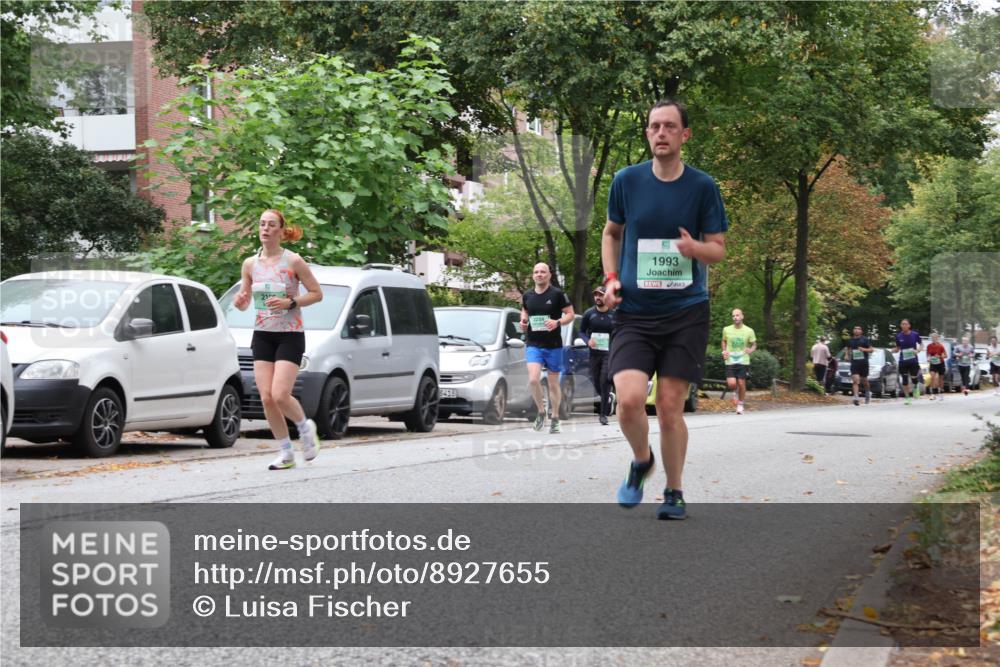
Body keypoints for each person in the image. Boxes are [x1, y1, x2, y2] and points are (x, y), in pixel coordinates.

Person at [603, 99, 728, 520]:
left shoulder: (703, 187)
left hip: (685, 312)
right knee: (628, 401)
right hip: (635, 312)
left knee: (671, 406)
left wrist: (696, 249)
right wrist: (611, 278)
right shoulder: (626, 181)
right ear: (647, 133)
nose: (661, 133)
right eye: (654, 126)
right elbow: (611, 233)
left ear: (684, 135)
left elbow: (718, 249)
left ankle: (674, 491)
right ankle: (642, 461)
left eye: (670, 126)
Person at [232, 209, 324, 470]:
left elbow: (317, 293)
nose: (265, 229)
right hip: (263, 334)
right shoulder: (250, 264)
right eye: (262, 224)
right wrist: (240, 301)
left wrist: (290, 302)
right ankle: (286, 453)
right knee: (266, 398)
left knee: (280, 394)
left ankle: (305, 428)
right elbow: (244, 301)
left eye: (271, 225)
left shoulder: (293, 261)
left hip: (290, 334)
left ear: (281, 231)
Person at [520, 262, 574, 434]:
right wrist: (523, 320)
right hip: (534, 344)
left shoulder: (557, 294)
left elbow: (570, 314)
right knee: (533, 379)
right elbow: (525, 310)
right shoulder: (528, 295)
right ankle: (541, 412)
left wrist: (557, 322)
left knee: (553, 384)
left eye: (542, 272)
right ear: (532, 275)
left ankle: (555, 417)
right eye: (536, 272)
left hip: (553, 346)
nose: (539, 274)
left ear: (549, 275)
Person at [579, 286, 616, 425]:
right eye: (596, 295)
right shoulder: (589, 314)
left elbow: (620, 332)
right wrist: (587, 341)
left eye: (600, 295)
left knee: (604, 380)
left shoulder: (614, 314)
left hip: (609, 353)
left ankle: (603, 414)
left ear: (606, 297)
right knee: (596, 382)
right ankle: (608, 398)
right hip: (594, 353)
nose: (597, 297)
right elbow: (581, 331)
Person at [721, 308, 757, 415]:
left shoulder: (749, 330)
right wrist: (724, 351)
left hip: (743, 359)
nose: (735, 317)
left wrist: (751, 350)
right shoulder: (726, 329)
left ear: (742, 316)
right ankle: (735, 392)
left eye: (737, 315)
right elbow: (723, 341)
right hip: (730, 359)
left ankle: (740, 404)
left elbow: (754, 344)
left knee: (741, 383)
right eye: (733, 316)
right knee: (732, 384)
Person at [843, 325, 874, 406]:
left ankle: (868, 392)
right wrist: (846, 355)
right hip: (854, 362)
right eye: (855, 329)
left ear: (861, 331)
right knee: (855, 380)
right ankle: (856, 397)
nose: (856, 330)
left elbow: (871, 350)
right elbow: (848, 348)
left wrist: (864, 349)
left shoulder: (865, 339)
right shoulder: (850, 340)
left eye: (858, 329)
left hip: (863, 362)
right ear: (853, 331)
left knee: (864, 380)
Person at [893, 319, 923, 405]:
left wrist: (917, 350)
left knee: (914, 377)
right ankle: (907, 398)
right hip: (903, 360)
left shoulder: (915, 334)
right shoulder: (898, 336)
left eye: (905, 324)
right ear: (901, 325)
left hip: (913, 360)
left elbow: (921, 344)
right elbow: (898, 348)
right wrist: (894, 350)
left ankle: (916, 386)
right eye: (902, 324)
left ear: (909, 325)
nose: (904, 325)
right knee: (904, 380)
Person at [926, 332, 947, 401]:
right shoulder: (929, 346)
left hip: (940, 363)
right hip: (933, 364)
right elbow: (928, 354)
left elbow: (945, 355)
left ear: (937, 338)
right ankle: (933, 394)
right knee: (932, 377)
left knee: (941, 379)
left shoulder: (941, 346)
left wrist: (940, 356)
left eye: (935, 337)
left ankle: (941, 393)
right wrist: (928, 358)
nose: (934, 339)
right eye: (932, 338)